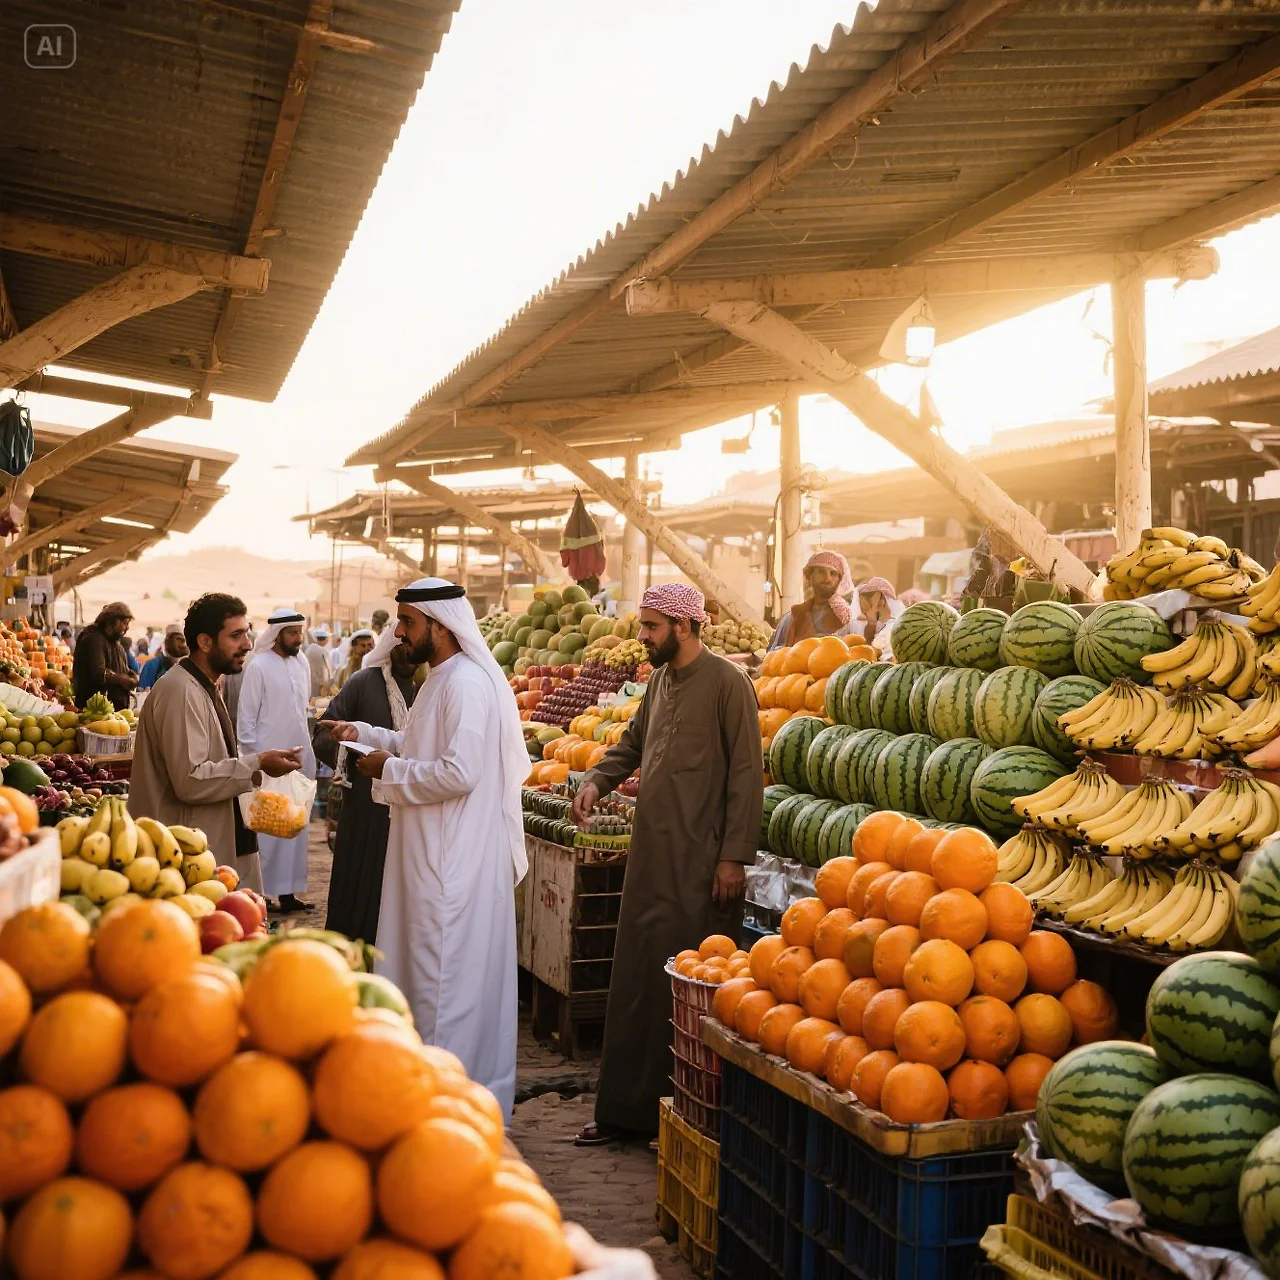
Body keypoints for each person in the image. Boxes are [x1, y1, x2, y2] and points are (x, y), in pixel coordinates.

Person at [325, 578, 528, 1120]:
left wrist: (385, 769)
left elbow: (458, 773)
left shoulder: (464, 683)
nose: (399, 633)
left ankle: (450, 1106)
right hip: (429, 856)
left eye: (408, 624)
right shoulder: (442, 679)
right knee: (427, 976)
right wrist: (366, 733)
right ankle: (428, 1092)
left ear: (440, 625)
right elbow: (420, 745)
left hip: (449, 863)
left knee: (444, 985)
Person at [572, 583, 763, 1145]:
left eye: (651, 627)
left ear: (684, 626)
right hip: (650, 857)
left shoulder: (731, 684)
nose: (642, 636)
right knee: (635, 984)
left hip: (701, 864)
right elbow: (632, 743)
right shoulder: (658, 681)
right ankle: (624, 1113)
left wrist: (733, 856)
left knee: (690, 989)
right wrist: (596, 778)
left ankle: (683, 1116)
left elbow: (747, 777)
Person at [130, 593, 301, 892]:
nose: (247, 644)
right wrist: (257, 764)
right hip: (185, 855)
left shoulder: (205, 684)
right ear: (205, 642)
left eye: (246, 634)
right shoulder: (180, 691)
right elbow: (191, 779)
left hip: (210, 843)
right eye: (235, 636)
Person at [313, 627, 422, 943]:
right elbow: (322, 734)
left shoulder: (425, 689)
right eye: (400, 647)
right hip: (364, 806)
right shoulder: (363, 683)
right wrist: (356, 759)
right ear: (390, 648)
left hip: (407, 807)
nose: (407, 654)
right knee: (359, 883)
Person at [237, 609, 316, 914]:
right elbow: (246, 719)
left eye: (299, 632)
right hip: (268, 761)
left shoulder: (303, 662)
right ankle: (263, 895)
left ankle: (289, 893)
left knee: (296, 827)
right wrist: (254, 762)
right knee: (268, 832)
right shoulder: (258, 666)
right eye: (292, 632)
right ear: (278, 633)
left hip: (298, 758)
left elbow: (302, 709)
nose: (297, 638)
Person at [767, 550, 855, 650]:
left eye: (833, 573)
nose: (827, 579)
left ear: (840, 579)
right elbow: (772, 654)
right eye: (821, 572)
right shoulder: (792, 617)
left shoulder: (847, 619)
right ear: (810, 576)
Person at [72, 602, 138, 711]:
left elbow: (121, 669)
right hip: (94, 710)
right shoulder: (94, 638)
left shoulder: (116, 643)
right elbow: (99, 672)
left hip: (114, 710)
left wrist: (132, 676)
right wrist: (123, 680)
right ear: (111, 621)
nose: (127, 628)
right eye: (124, 623)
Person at [855, 576, 905, 648]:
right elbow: (869, 645)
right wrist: (872, 623)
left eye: (879, 604)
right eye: (872, 606)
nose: (875, 609)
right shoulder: (870, 623)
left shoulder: (895, 624)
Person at [138, 623, 189, 691]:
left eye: (183, 640)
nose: (182, 644)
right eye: (177, 639)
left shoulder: (189, 667)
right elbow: (142, 692)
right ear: (167, 641)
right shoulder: (152, 665)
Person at [303, 628, 332, 699]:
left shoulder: (308, 650)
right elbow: (328, 670)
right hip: (321, 687)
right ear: (325, 640)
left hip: (309, 684)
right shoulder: (322, 651)